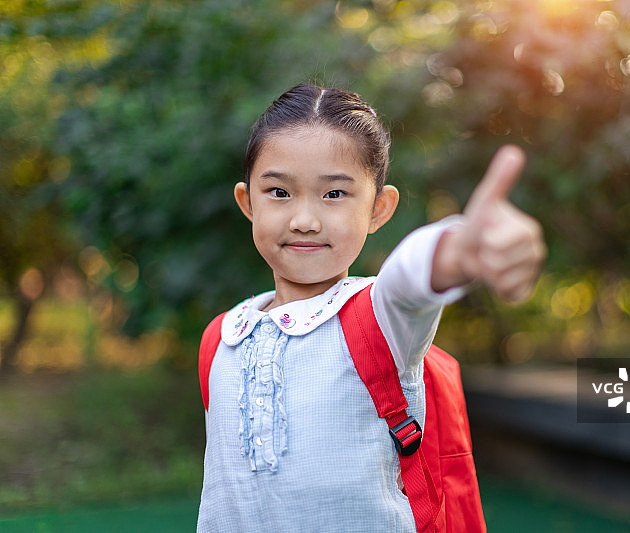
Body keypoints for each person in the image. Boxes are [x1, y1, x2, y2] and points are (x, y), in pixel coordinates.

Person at [197, 83, 546, 532]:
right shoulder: (222, 338)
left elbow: (410, 279)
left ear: (379, 208)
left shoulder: (379, 319)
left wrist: (459, 251)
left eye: (335, 194)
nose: (305, 220)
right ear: (248, 202)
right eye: (279, 193)